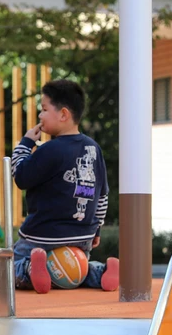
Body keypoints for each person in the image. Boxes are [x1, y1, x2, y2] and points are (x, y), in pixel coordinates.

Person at [11, 79, 119, 294]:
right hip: (82, 237)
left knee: (5, 268)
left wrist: (25, 144)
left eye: (43, 109)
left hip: (43, 236)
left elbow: (21, 176)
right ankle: (99, 272)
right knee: (75, 269)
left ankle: (31, 268)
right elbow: (102, 196)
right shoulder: (93, 148)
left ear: (63, 114)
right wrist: (96, 229)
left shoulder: (50, 149)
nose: (40, 116)